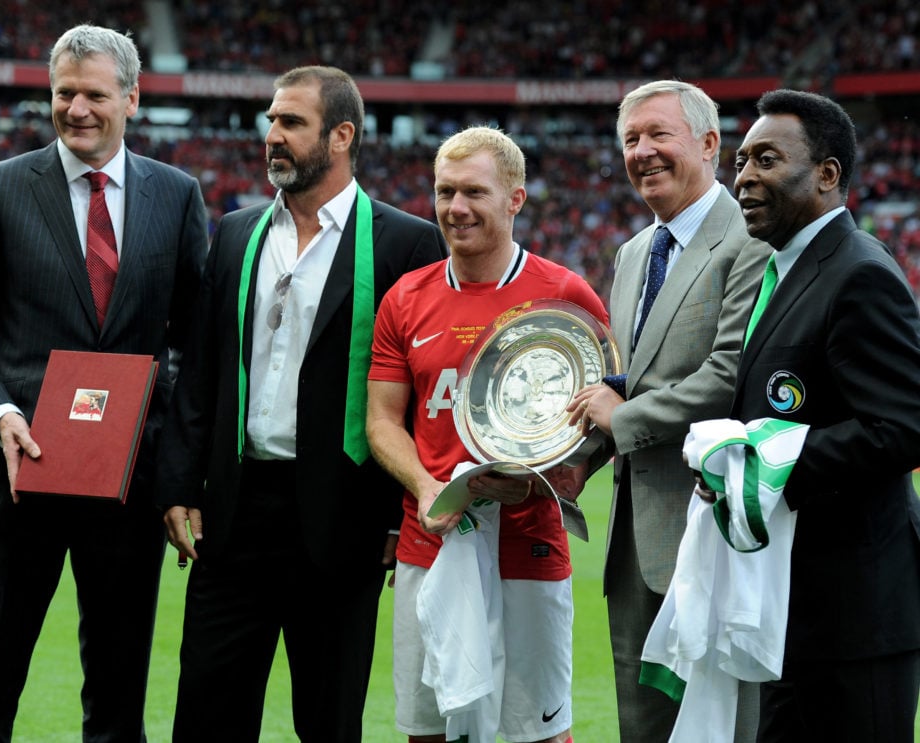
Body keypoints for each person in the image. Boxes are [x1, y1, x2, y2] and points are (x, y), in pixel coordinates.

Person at [0, 24, 208, 742]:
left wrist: (173, 465)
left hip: (127, 490)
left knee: (117, 714)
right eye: (64, 92)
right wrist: (0, 413)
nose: (77, 108)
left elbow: (194, 343)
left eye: (95, 95)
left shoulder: (177, 196)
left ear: (131, 100)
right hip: (14, 485)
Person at [154, 65, 446, 742]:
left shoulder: (405, 242)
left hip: (344, 520)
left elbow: (419, 392)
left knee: (329, 720)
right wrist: (179, 484)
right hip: (234, 515)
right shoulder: (236, 232)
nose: (272, 136)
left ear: (341, 136)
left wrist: (400, 515)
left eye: (291, 122)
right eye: (271, 121)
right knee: (205, 717)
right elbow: (201, 370)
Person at [367, 125, 608, 743]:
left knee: (539, 734)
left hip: (529, 543)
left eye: (474, 192)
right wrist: (426, 487)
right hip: (433, 540)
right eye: (445, 191)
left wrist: (559, 476)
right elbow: (381, 421)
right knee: (429, 732)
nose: (456, 208)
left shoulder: (564, 294)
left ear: (515, 199)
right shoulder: (405, 298)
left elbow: (605, 417)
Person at [566, 80, 769, 743]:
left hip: (714, 530)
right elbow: (630, 382)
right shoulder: (632, 253)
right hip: (633, 543)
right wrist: (578, 459)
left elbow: (729, 373)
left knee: (721, 723)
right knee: (643, 726)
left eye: (659, 134)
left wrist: (619, 421)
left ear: (709, 144)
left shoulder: (751, 239)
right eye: (630, 139)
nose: (642, 151)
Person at [730, 89, 920, 742]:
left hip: (855, 619)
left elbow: (903, 427)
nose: (744, 176)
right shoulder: (786, 269)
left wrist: (767, 460)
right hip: (793, 608)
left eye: (766, 159)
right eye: (741, 161)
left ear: (827, 174)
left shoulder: (859, 272)